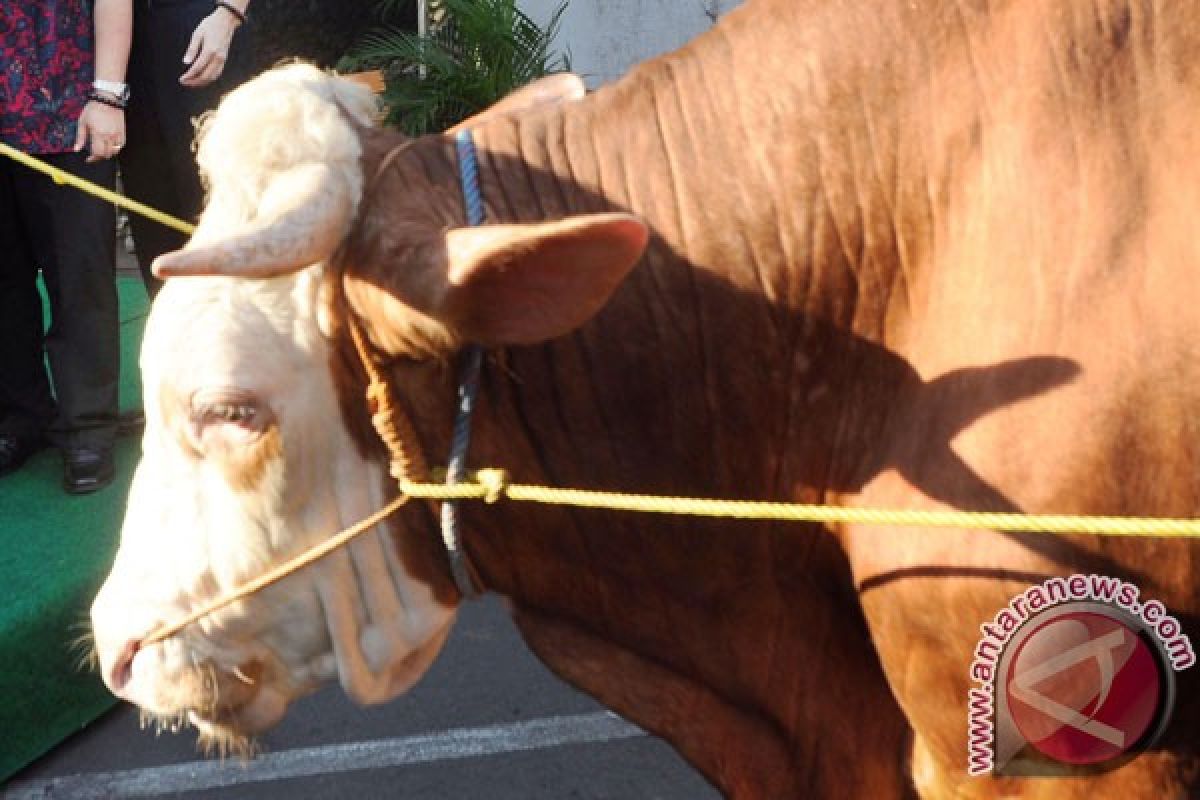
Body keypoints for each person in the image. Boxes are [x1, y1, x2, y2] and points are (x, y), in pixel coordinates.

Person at [0, 0, 133, 493]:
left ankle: (88, 427)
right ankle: (21, 419)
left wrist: (108, 96)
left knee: (80, 277)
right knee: (3, 283)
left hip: (69, 111)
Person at [120, 0, 252, 296]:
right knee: (153, 215)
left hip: (204, 23)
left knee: (220, 200)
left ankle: (247, 331)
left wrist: (228, 15)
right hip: (126, 37)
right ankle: (174, 331)